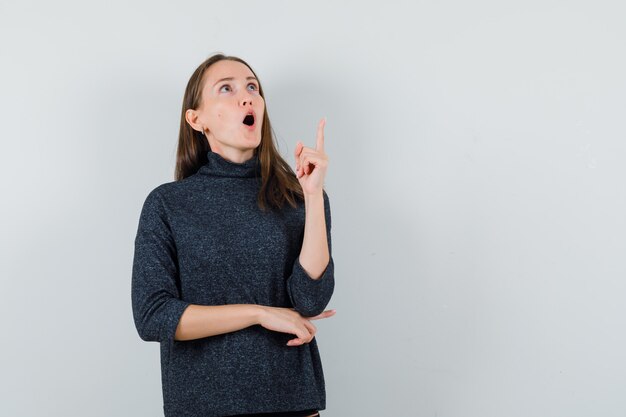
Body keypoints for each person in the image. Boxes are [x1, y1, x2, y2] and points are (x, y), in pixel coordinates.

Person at [131, 53, 336, 417]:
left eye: (252, 87)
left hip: (292, 402)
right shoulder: (168, 204)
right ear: (197, 119)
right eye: (227, 88)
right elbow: (153, 316)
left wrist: (313, 196)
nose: (247, 97)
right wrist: (259, 313)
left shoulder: (298, 197)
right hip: (203, 407)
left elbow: (309, 301)